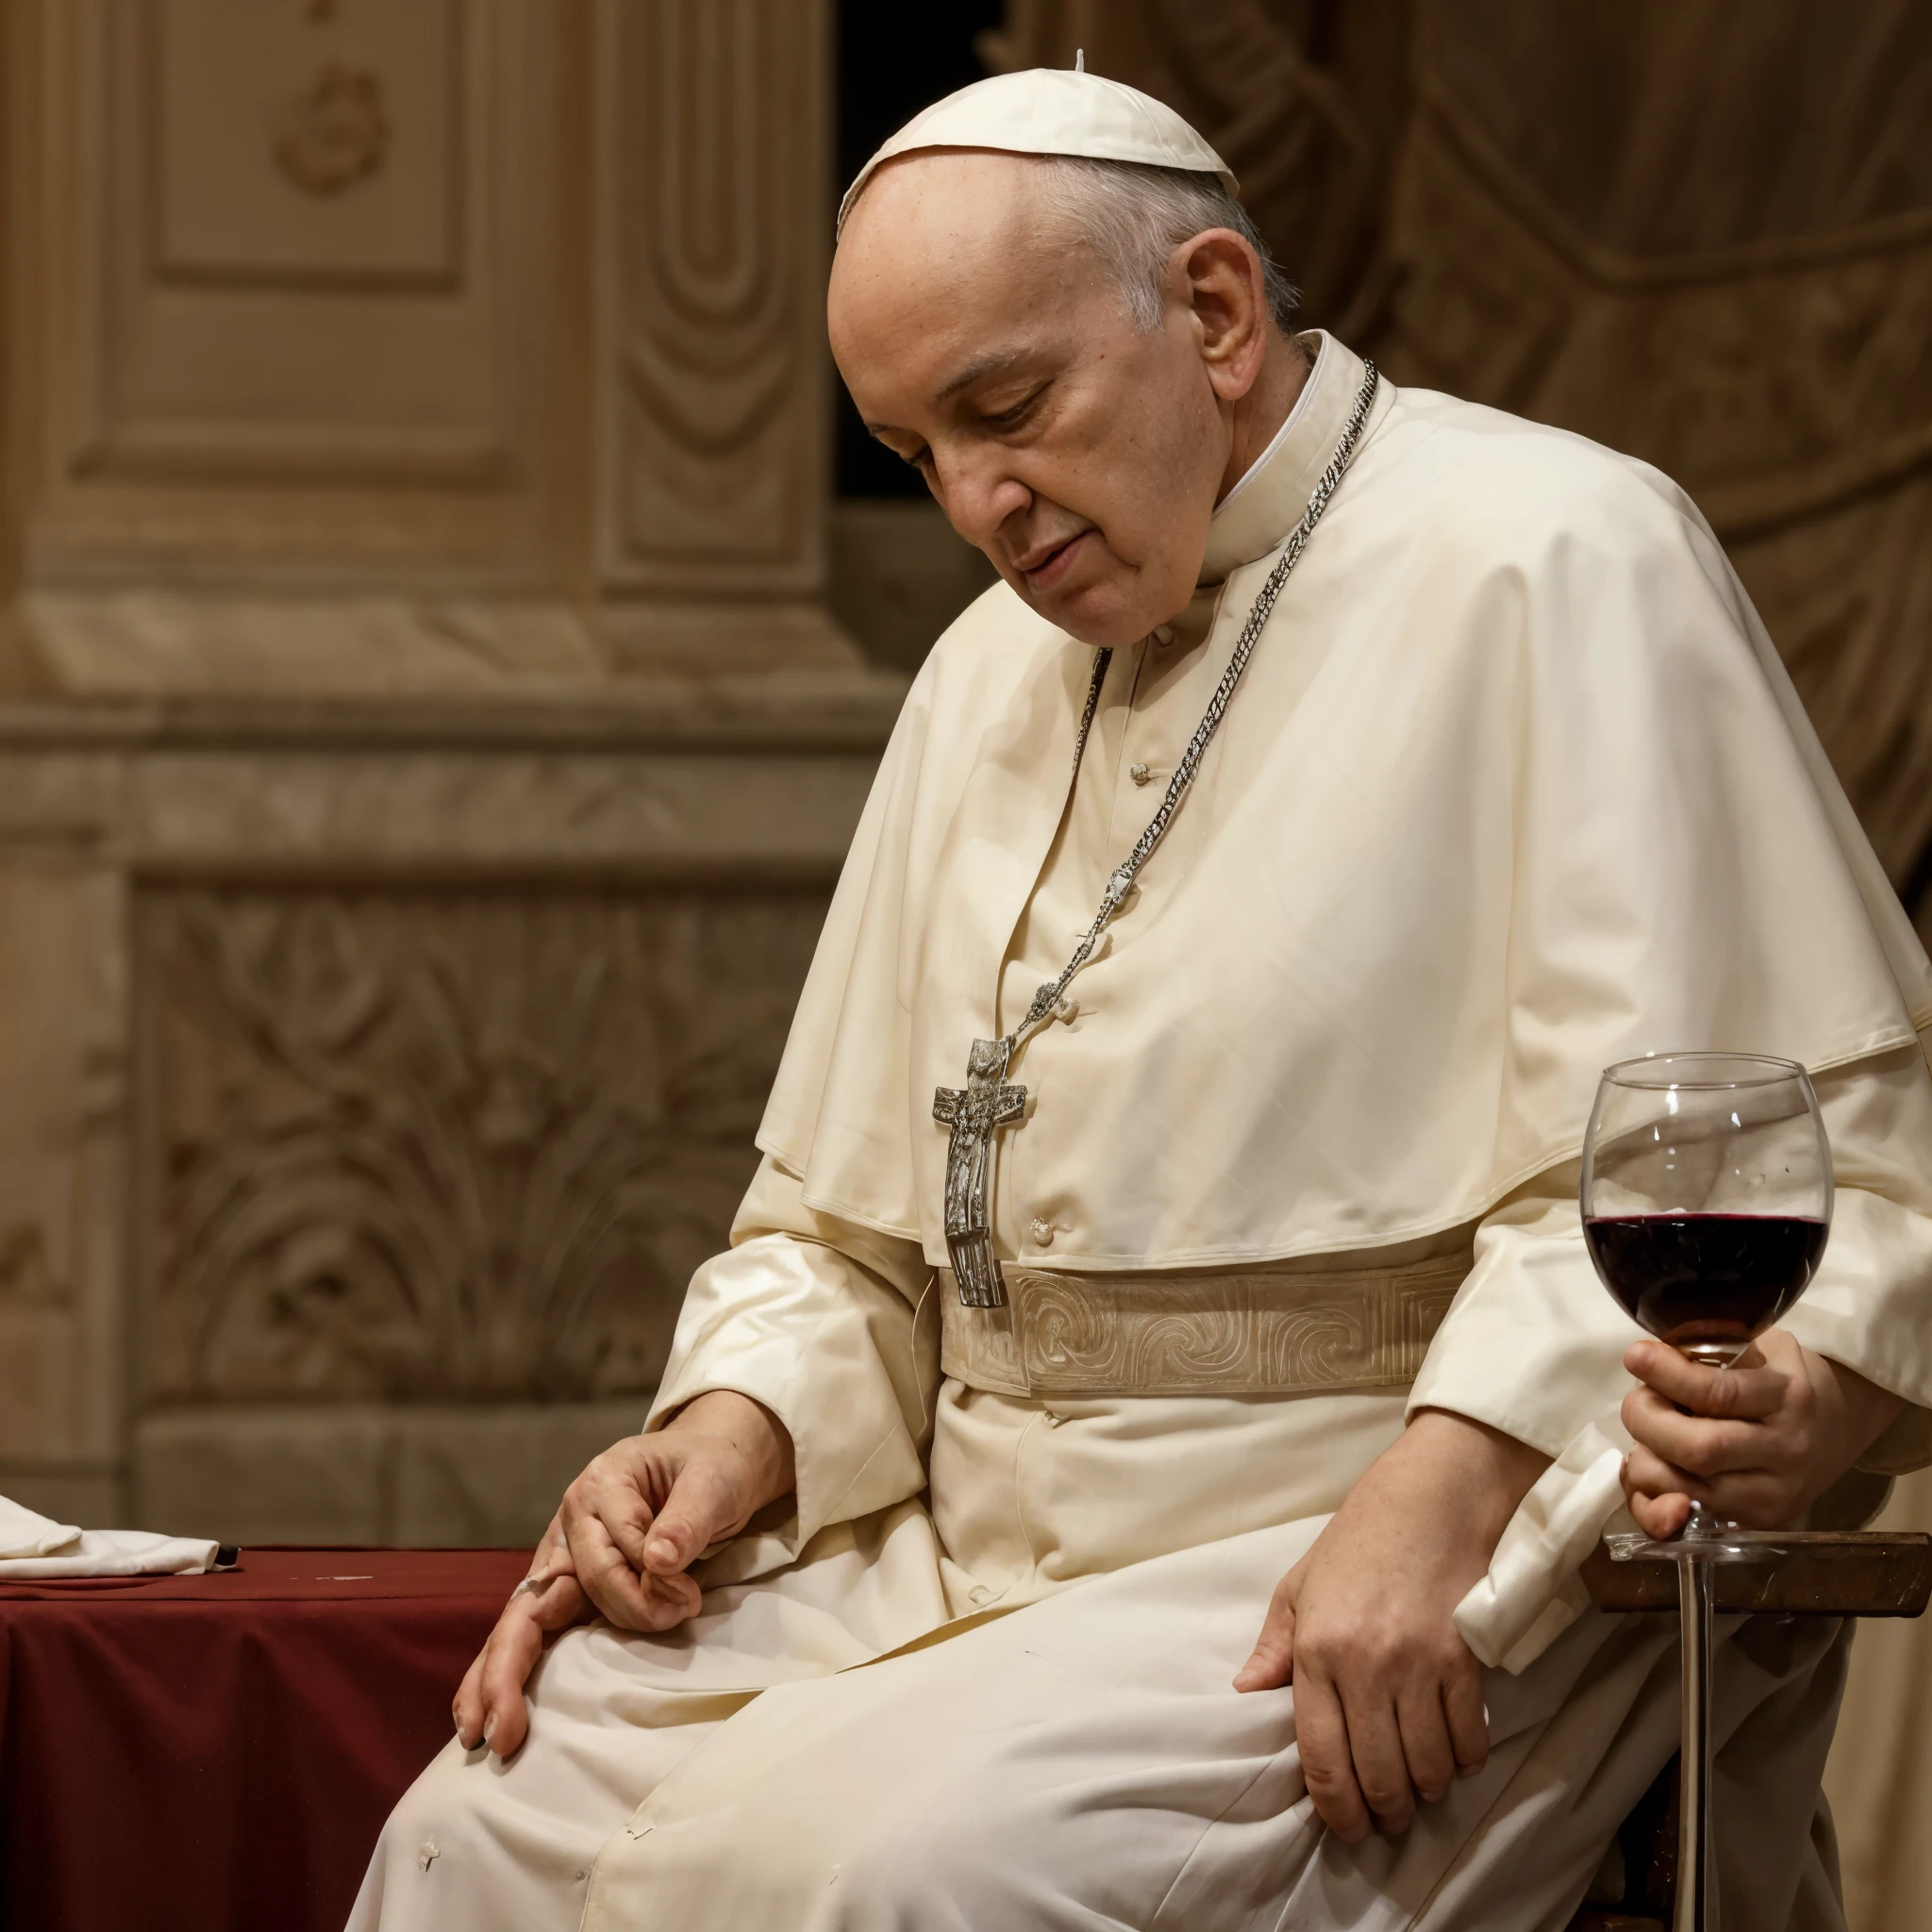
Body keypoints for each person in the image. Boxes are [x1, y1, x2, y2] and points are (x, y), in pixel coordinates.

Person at [349, 66, 1932, 1932]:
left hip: (1364, 1546)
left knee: (914, 1883)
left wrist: (1432, 1498)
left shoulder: (1556, 557)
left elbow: (1783, 1184)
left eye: (1004, 410)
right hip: (956, 1557)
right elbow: (846, 1239)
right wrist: (730, 1431)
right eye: (915, 452)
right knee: (472, 1827)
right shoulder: (978, 675)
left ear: (1211, 311)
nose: (975, 505)